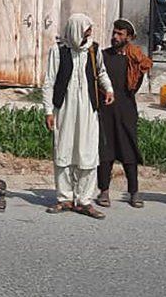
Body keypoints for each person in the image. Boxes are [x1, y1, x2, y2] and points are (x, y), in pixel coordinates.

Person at [42, 13, 115, 219]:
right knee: (63, 150)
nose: (89, 33)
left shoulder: (93, 50)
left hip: (88, 108)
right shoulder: (58, 51)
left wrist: (108, 89)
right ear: (76, 31)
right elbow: (49, 82)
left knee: (88, 153)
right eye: (86, 30)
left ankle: (84, 200)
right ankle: (64, 198)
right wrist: (48, 110)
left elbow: (101, 72)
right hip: (64, 108)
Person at [96, 19, 153, 208]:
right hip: (105, 109)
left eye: (120, 34)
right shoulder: (102, 56)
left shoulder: (134, 60)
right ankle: (103, 191)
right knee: (105, 151)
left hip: (126, 109)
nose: (115, 37)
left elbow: (134, 86)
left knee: (129, 151)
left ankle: (134, 192)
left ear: (129, 37)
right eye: (114, 33)